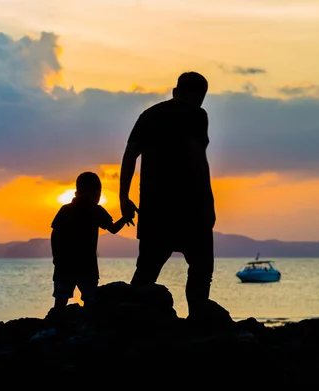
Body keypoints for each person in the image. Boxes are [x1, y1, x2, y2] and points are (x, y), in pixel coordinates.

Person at [119, 71, 217, 320]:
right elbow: (198, 159)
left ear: (175, 91)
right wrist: (208, 204)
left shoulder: (149, 115)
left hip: (155, 208)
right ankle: (197, 320)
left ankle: (129, 322)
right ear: (200, 95)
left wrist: (123, 197)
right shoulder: (197, 115)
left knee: (146, 271)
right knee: (201, 270)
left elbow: (130, 155)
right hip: (192, 208)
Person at [51, 171, 133, 309]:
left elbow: (54, 234)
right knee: (90, 301)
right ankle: (88, 328)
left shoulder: (65, 210)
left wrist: (56, 257)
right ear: (96, 192)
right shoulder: (96, 210)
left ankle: (54, 327)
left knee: (60, 302)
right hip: (87, 265)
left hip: (64, 264)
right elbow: (113, 229)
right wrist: (125, 218)